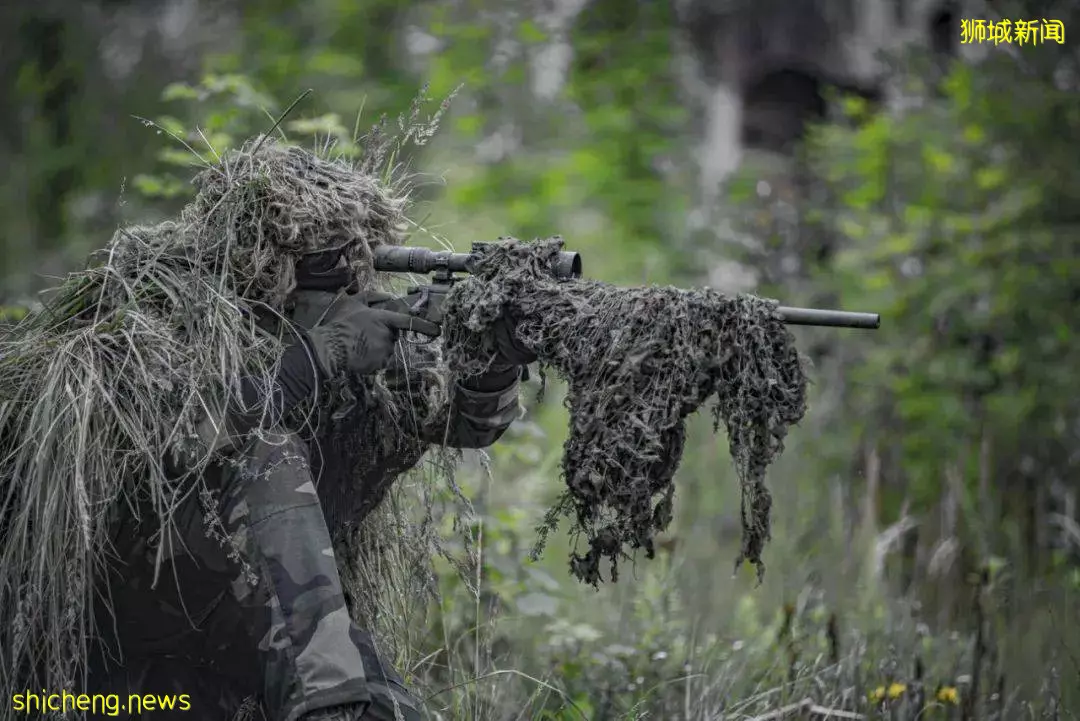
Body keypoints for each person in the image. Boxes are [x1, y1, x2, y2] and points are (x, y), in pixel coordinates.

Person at [87, 244, 536, 721]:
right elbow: (176, 446)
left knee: (385, 709)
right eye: (321, 279)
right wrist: (319, 354)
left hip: (266, 633)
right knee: (270, 452)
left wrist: (495, 361)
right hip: (134, 639)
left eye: (350, 279)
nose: (346, 294)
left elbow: (464, 423)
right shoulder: (181, 321)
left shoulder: (366, 358)